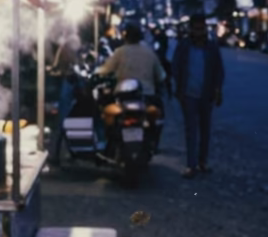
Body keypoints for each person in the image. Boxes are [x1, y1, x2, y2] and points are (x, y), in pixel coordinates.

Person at [171, 12, 225, 179]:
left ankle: (203, 162)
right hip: (188, 94)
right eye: (196, 28)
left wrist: (218, 90)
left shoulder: (212, 47)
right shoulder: (184, 46)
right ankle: (191, 165)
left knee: (205, 130)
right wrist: (178, 88)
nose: (199, 32)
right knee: (191, 131)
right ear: (191, 29)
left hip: (206, 94)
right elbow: (175, 67)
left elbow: (219, 70)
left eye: (202, 28)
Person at [95, 22, 167, 137]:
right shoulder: (149, 52)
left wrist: (96, 73)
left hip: (122, 97)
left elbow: (105, 69)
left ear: (126, 37)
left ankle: (108, 138)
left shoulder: (120, 52)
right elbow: (161, 76)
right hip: (147, 96)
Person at [47, 31, 82, 162]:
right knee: (62, 122)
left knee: (63, 122)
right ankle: (56, 154)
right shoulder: (66, 47)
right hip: (66, 87)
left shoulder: (67, 47)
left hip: (69, 86)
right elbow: (59, 65)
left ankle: (63, 152)